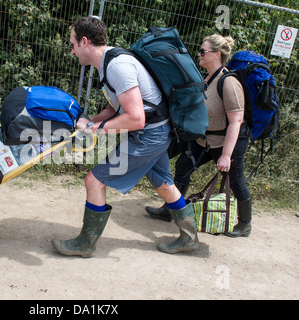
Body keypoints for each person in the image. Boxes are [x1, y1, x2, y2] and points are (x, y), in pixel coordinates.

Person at [51, 16, 199, 256]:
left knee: (94, 180)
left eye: (72, 44)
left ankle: (85, 244)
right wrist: (92, 121)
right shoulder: (109, 62)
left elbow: (136, 118)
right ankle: (189, 238)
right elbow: (117, 108)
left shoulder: (117, 66)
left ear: (85, 42)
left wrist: (94, 129)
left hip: (148, 134)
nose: (71, 50)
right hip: (156, 131)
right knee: (163, 185)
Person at [145, 34, 252, 238]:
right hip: (205, 139)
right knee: (183, 167)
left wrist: (226, 156)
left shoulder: (229, 82)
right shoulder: (208, 79)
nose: (199, 54)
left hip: (228, 141)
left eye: (203, 51)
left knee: (236, 181)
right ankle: (170, 209)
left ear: (216, 55)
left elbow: (236, 121)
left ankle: (245, 224)